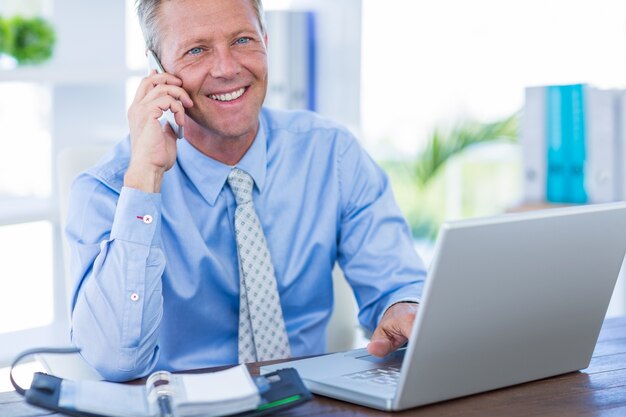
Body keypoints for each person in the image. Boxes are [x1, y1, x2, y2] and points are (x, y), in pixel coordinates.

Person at [66, 0, 426, 382]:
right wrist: (144, 181)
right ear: (157, 69)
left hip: (313, 402)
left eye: (242, 40)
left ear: (266, 42)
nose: (227, 68)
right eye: (196, 50)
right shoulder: (107, 189)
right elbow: (115, 360)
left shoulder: (331, 154)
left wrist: (402, 307)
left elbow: (397, 282)